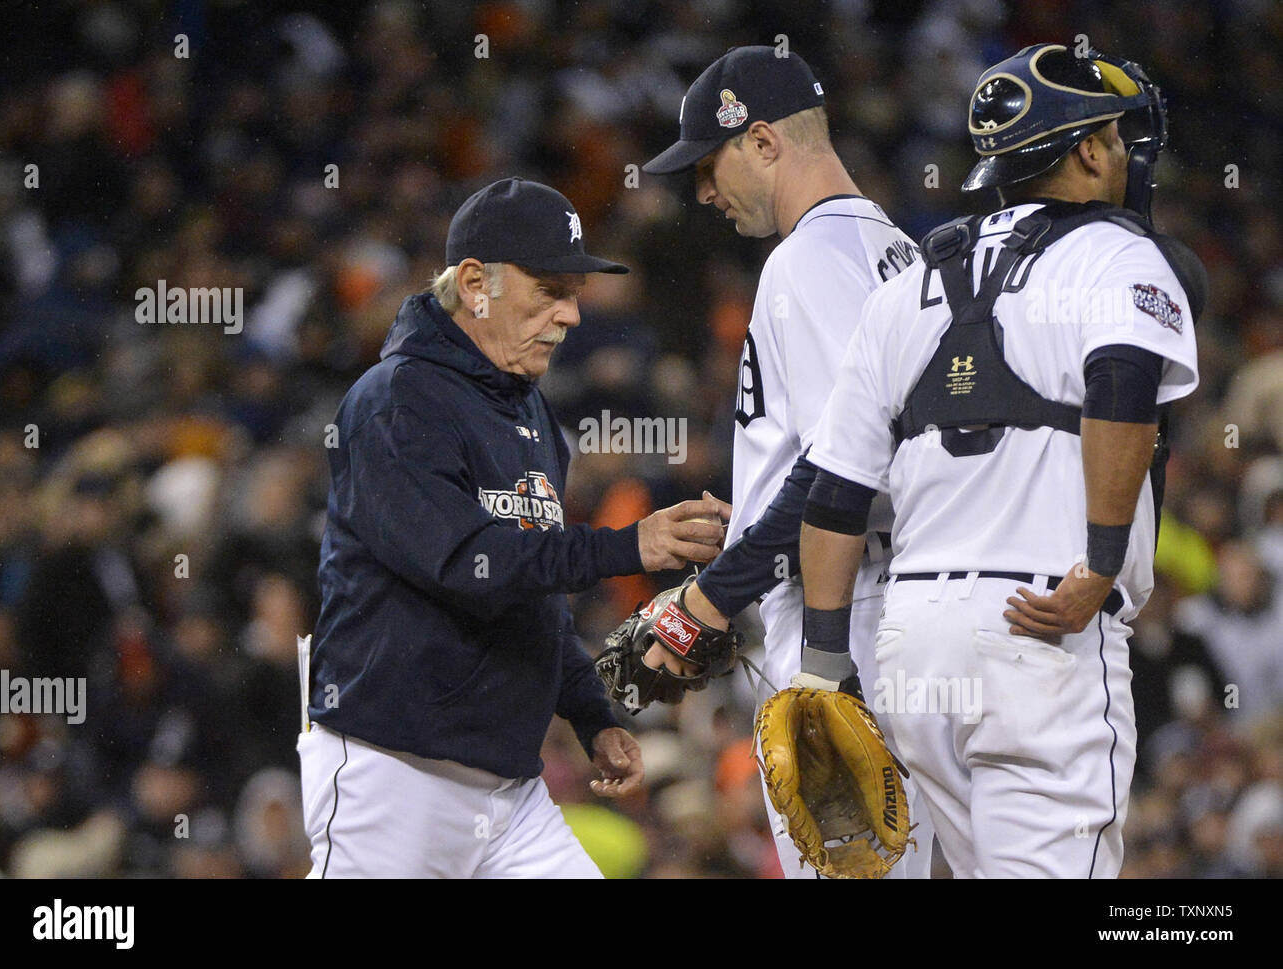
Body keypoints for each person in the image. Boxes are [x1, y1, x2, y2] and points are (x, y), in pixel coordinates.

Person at [796, 44, 1203, 877]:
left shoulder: (908, 281)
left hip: (914, 645)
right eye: (1118, 141)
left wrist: (825, 666)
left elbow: (834, 490)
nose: (1125, 157)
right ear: (1089, 150)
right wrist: (1098, 561)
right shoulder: (1114, 254)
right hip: (1039, 626)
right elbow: (1121, 385)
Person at [297, 177, 727, 878]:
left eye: (575, 294)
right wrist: (630, 545)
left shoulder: (529, 415)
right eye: (550, 291)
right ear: (475, 284)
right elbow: (469, 562)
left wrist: (591, 712)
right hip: (392, 770)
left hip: (510, 789)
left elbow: (531, 589)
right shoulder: (395, 403)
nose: (571, 316)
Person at [637, 44, 933, 878]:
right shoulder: (902, 251)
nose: (702, 190)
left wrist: (710, 597)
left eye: (708, 163)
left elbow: (846, 461)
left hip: (845, 616)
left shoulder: (805, 258)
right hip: (899, 597)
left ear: (763, 142)